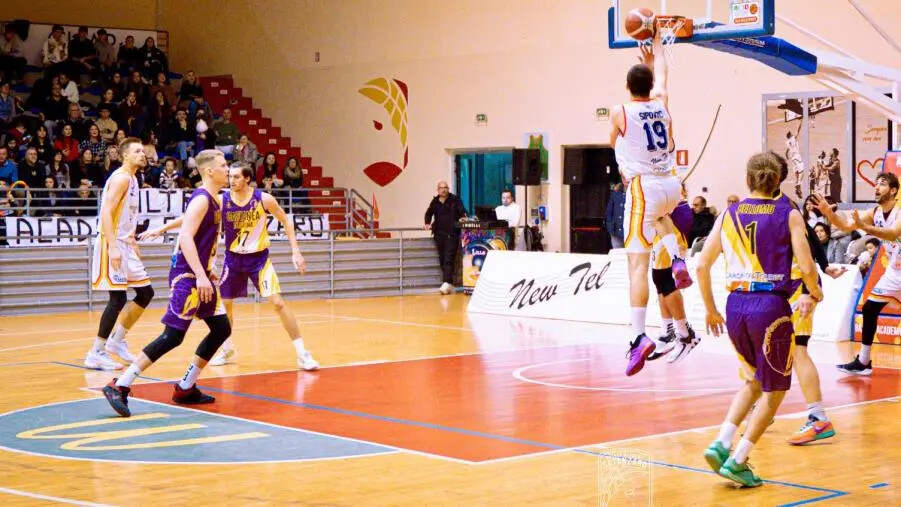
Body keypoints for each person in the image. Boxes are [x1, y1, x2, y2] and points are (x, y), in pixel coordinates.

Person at [697, 152, 821, 487]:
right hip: (770, 305)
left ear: (748, 178)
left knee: (752, 380)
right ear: (778, 180)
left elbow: (701, 265)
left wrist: (710, 309)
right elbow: (807, 266)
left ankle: (721, 442)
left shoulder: (727, 213)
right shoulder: (788, 213)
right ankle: (739, 460)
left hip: (735, 304)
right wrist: (814, 292)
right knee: (775, 388)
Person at [141, 163, 319, 370]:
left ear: (247, 179)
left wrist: (295, 250)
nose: (230, 179)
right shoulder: (222, 199)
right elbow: (190, 217)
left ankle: (302, 353)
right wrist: (161, 228)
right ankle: (227, 349)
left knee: (277, 302)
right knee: (226, 307)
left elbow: (286, 220)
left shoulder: (263, 199)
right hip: (233, 260)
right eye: (230, 176)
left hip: (259, 260)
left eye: (235, 177)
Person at [102, 150, 232, 417]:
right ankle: (121, 384)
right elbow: (186, 237)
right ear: (209, 171)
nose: (227, 170)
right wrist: (200, 273)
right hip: (189, 277)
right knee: (173, 336)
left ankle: (186, 387)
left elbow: (188, 225)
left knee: (221, 329)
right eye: (223, 165)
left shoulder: (214, 200)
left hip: (202, 274)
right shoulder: (201, 199)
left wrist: (208, 269)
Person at [609, 32, 690, 376]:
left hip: (644, 186)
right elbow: (663, 76)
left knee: (637, 266)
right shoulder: (662, 101)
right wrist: (655, 45)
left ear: (627, 85)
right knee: (661, 219)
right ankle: (676, 260)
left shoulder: (619, 111)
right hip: (672, 182)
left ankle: (637, 336)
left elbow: (612, 142)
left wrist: (624, 164)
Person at [770, 152, 845, 446]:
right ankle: (763, 406)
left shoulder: (786, 208)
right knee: (773, 351)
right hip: (776, 291)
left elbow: (811, 241)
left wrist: (815, 281)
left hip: (796, 289)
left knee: (798, 351)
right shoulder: (767, 207)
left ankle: (818, 417)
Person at [814, 172, 899, 375]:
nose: (877, 187)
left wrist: (865, 227)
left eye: (883, 184)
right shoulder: (874, 212)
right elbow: (845, 225)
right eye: (876, 184)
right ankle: (863, 361)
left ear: (894, 190)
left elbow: (894, 233)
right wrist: (829, 214)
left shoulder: (899, 211)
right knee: (870, 308)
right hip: (895, 271)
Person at [85, 138, 155, 370]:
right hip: (111, 242)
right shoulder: (122, 178)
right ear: (125, 155)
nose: (142, 154)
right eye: (137, 151)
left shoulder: (134, 179)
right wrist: (113, 245)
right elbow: (106, 211)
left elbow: (126, 215)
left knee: (146, 293)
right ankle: (96, 352)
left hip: (125, 243)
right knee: (118, 298)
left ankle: (116, 341)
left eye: (143, 151)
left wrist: (132, 239)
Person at [647, 186, 697, 363]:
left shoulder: (656, 171)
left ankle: (685, 334)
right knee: (659, 279)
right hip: (664, 220)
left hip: (671, 220)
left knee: (665, 279)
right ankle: (668, 330)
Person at [424, 180, 466, 295]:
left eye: (445, 187)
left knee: (448, 258)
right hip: (439, 234)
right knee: (442, 259)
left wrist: (463, 217)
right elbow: (428, 213)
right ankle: (449, 283)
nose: (443, 189)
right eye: (441, 188)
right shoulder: (435, 201)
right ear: (437, 190)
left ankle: (446, 282)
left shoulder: (455, 200)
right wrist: (427, 223)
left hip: (452, 234)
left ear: (448, 189)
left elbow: (462, 211)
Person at [785, 124, 803, 199]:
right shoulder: (793, 138)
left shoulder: (787, 142)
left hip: (792, 158)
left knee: (796, 172)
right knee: (802, 171)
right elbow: (798, 131)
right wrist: (800, 123)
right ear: (790, 135)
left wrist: (786, 155)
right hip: (797, 157)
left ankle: (798, 186)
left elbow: (787, 151)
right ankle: (798, 184)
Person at [606, 182, 626, 249]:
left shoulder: (636, 193)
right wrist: (610, 228)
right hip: (615, 232)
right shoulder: (615, 193)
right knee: (618, 256)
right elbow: (609, 212)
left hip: (630, 234)